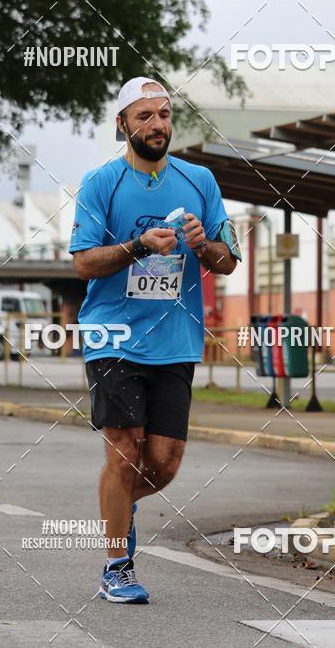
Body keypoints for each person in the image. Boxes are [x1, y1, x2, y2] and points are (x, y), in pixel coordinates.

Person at [69, 76, 241, 604]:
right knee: (124, 453)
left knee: (164, 462)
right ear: (122, 124)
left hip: (177, 340)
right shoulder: (102, 183)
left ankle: (118, 505)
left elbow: (228, 260)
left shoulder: (200, 181)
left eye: (164, 114)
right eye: (144, 116)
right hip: (113, 335)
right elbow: (83, 262)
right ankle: (116, 566)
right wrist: (139, 244)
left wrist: (203, 244)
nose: (157, 125)